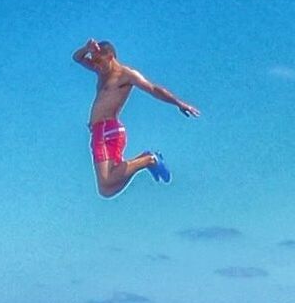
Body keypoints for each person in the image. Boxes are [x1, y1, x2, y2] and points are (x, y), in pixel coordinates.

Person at [73, 39, 200, 198]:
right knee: (106, 190)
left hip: (108, 130)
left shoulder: (125, 75)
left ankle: (149, 159)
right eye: (94, 60)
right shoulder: (101, 72)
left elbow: (153, 89)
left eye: (99, 60)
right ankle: (144, 160)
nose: (96, 65)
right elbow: (77, 58)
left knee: (107, 180)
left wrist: (179, 103)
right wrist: (87, 48)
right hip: (98, 131)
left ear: (110, 56)